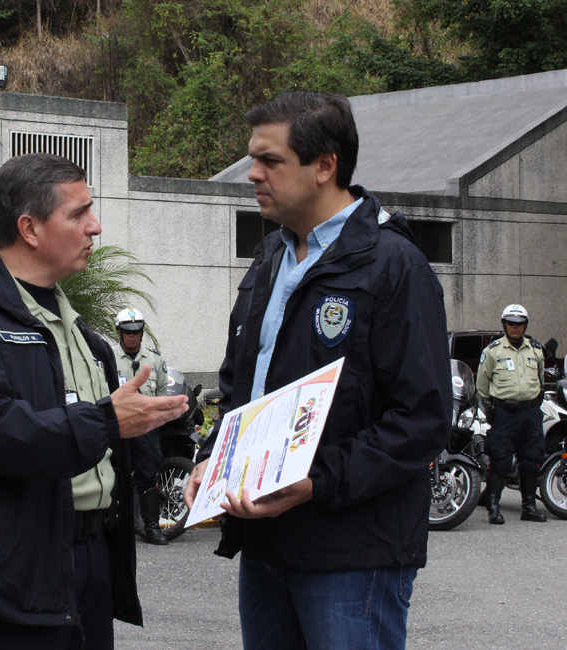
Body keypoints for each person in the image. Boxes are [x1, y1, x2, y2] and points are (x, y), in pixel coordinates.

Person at [183, 92, 450, 650]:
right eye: (253, 159)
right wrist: (213, 460)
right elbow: (240, 384)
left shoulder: (395, 266)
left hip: (352, 554)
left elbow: (421, 420)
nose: (252, 174)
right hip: (266, 542)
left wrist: (315, 482)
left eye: (270, 161)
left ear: (325, 165)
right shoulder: (270, 259)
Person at [0, 153, 188, 650]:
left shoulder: (81, 331)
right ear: (30, 228)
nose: (95, 227)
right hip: (13, 565)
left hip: (89, 556)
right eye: (79, 214)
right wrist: (104, 421)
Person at [477, 304, 547, 524]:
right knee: (500, 460)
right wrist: (492, 411)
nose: (515, 327)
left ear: (525, 325)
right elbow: (482, 385)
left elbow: (541, 379)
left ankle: (529, 508)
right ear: (504, 325)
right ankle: (494, 507)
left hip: (531, 413)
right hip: (505, 414)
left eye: (519, 324)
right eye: (511, 323)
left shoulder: (536, 350)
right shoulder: (493, 350)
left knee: (531, 460)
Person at [110, 307, 170, 545]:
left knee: (148, 476)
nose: (132, 336)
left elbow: (162, 391)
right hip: (119, 426)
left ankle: (152, 528)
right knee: (117, 476)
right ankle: (117, 527)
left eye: (136, 332)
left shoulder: (154, 359)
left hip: (146, 429)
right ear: (119, 332)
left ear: (142, 332)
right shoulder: (108, 357)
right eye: (127, 332)